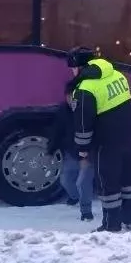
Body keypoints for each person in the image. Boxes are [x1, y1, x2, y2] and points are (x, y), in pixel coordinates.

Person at [66, 47, 131, 232]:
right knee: (128, 180)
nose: (72, 72)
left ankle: (111, 224)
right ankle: (130, 219)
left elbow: (83, 124)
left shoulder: (85, 89)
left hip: (107, 142)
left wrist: (82, 148)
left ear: (81, 66)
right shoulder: (117, 75)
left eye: (73, 68)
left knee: (108, 183)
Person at [48, 85, 96, 222]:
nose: (72, 100)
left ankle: (86, 212)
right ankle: (75, 197)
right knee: (65, 179)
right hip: (72, 151)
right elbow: (57, 131)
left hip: (87, 152)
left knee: (83, 182)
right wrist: (51, 149)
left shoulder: (87, 109)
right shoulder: (62, 111)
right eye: (69, 97)